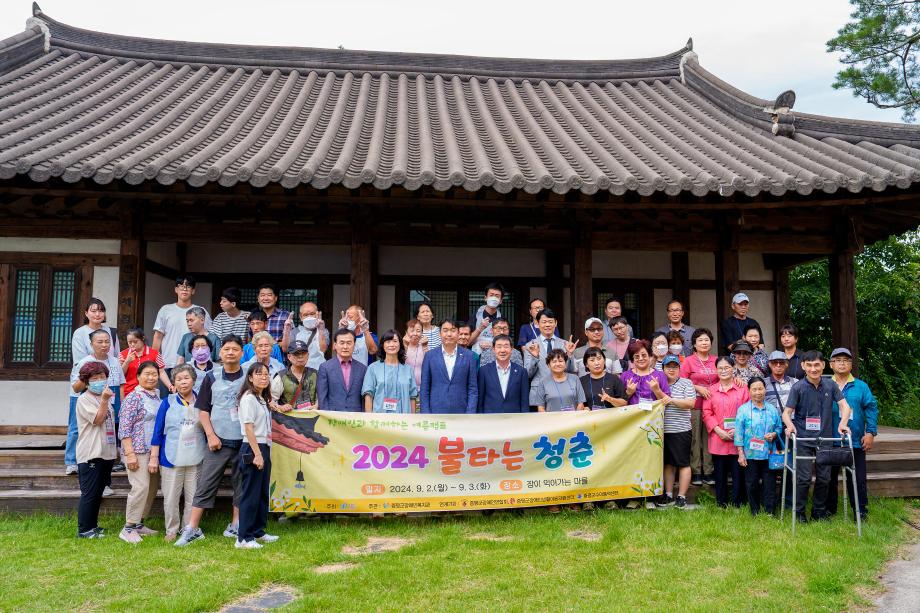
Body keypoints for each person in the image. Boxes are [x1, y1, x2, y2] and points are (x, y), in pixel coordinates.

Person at [174, 335, 246, 546]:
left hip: (243, 439)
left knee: (241, 483)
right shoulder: (211, 376)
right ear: (220, 353)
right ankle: (192, 528)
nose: (230, 352)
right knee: (206, 483)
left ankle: (236, 525)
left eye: (235, 349)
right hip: (218, 440)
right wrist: (211, 435)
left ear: (242, 353)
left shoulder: (248, 376)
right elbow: (203, 410)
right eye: (227, 349)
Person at [782, 350, 853, 523]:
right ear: (803, 366)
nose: (813, 369)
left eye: (816, 365)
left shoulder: (830, 385)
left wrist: (843, 423)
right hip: (803, 439)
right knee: (804, 478)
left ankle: (818, 512)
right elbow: (786, 413)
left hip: (825, 438)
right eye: (809, 365)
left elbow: (845, 406)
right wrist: (790, 425)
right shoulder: (798, 387)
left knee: (825, 478)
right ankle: (799, 513)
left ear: (823, 365)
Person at [149, 364, 205, 542]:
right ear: (173, 383)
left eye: (186, 378)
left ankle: (188, 528)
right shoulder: (168, 402)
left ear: (193, 380)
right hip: (171, 456)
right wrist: (154, 457)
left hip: (196, 455)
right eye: (179, 379)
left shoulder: (202, 400)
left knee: (193, 496)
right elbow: (157, 431)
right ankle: (171, 529)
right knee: (171, 497)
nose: (183, 382)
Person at [826, 347, 878, 521]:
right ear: (831, 364)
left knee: (858, 478)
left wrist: (870, 432)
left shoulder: (861, 386)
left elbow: (871, 408)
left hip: (855, 440)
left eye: (846, 360)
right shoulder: (825, 385)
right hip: (830, 440)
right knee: (829, 478)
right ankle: (829, 510)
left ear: (851, 364)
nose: (842, 363)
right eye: (838, 360)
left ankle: (860, 511)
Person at [68, 329, 125, 477]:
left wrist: (122, 405)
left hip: (112, 403)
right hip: (92, 404)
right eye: (100, 342)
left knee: (110, 433)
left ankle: (108, 469)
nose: (104, 345)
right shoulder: (84, 362)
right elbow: (76, 388)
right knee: (89, 433)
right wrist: (89, 376)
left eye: (107, 342)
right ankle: (74, 462)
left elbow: (121, 385)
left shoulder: (115, 361)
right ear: (91, 344)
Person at [234, 362, 279, 549]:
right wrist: (257, 454)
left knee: (261, 493)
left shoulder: (261, 398)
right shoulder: (248, 398)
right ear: (250, 378)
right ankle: (244, 538)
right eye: (259, 374)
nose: (263, 377)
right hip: (253, 447)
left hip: (264, 445)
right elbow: (248, 428)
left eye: (266, 374)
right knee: (250, 494)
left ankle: (258, 531)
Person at [117, 360, 162, 543]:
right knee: (140, 487)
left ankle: (139, 523)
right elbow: (124, 428)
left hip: (153, 451)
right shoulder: (133, 398)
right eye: (147, 374)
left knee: (151, 488)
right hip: (136, 450)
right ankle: (128, 528)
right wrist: (129, 454)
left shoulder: (156, 397)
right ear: (137, 377)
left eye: (154, 374)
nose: (151, 377)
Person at [74, 361, 117, 538]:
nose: (100, 381)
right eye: (95, 378)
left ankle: (93, 526)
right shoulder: (84, 399)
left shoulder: (103, 398)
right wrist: (105, 400)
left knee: (98, 492)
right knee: (89, 493)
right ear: (86, 382)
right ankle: (84, 530)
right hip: (91, 452)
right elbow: (98, 420)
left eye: (102, 377)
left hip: (106, 452)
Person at [703, 356, 750, 507]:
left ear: (733, 368)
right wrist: (718, 430)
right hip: (718, 438)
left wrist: (738, 429)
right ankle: (721, 502)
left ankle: (738, 502)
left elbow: (748, 411)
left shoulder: (743, 389)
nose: (723, 371)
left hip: (738, 437)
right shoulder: (711, 391)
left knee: (738, 473)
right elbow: (707, 413)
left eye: (727, 367)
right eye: (720, 368)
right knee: (720, 474)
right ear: (716, 370)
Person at [735, 377, 783, 515]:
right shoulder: (743, 410)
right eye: (754, 389)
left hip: (769, 454)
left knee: (770, 483)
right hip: (750, 454)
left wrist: (774, 434)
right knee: (751, 483)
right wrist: (740, 453)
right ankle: (754, 510)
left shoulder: (772, 409)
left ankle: (770, 511)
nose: (758, 392)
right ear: (749, 391)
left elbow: (779, 427)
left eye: (760, 388)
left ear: (765, 390)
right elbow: (738, 433)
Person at [152, 275, 212, 376]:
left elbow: (209, 336)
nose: (184, 289)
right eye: (181, 286)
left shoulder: (201, 311)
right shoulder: (165, 310)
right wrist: (153, 361)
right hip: (168, 362)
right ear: (176, 289)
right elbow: (158, 337)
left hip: (195, 363)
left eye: (188, 286)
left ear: (193, 291)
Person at [680, 328, 718, 486]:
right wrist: (698, 388)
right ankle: (696, 471)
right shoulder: (688, 361)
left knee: (710, 437)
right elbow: (681, 381)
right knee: (695, 439)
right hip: (694, 405)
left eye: (707, 340)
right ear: (694, 344)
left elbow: (724, 377)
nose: (704, 343)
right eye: (700, 340)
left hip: (713, 406)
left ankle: (708, 471)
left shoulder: (716, 360)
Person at [657, 355, 696, 509]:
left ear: (679, 369)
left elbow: (690, 403)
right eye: (668, 367)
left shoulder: (686, 383)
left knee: (683, 463)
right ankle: (668, 495)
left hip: (681, 430)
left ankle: (681, 496)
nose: (671, 369)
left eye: (675, 367)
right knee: (668, 464)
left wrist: (671, 400)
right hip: (662, 430)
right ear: (663, 369)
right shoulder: (658, 384)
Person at [420, 319, 478, 414]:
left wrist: (470, 414)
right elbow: (424, 388)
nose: (449, 334)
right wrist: (426, 414)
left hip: (462, 412)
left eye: (453, 330)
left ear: (458, 333)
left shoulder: (469, 356)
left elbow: (473, 388)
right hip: (436, 412)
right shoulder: (430, 356)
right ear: (440, 334)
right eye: (445, 330)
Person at [362, 330, 419, 413]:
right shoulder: (373, 368)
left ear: (400, 344)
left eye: (395, 341)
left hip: (403, 418)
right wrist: (370, 418)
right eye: (388, 342)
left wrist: (412, 418)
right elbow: (368, 395)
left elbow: (412, 397)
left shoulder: (408, 369)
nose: (392, 345)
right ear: (383, 345)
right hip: (380, 418)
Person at [523, 308, 578, 389]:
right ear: (538, 323)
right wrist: (535, 357)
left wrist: (570, 354)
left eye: (550, 322)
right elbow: (527, 374)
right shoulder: (530, 346)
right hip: (539, 389)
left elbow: (571, 370)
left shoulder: (565, 344)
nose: (547, 325)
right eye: (544, 322)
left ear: (556, 323)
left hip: (562, 388)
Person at [316, 329, 367, 411]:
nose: (345, 347)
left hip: (356, 415)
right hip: (332, 416)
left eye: (349, 343)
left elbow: (364, 398)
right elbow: (322, 398)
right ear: (335, 345)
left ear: (354, 345)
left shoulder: (362, 369)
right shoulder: (325, 367)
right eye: (342, 343)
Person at [477, 334, 530, 413]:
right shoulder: (484, 371)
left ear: (512, 349)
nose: (502, 350)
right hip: (490, 417)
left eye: (506, 346)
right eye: (499, 347)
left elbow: (524, 401)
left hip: (514, 417)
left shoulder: (521, 372)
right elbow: (480, 400)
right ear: (493, 349)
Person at [119, 327, 170, 396]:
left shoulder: (155, 353)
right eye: (130, 342)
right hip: (128, 393)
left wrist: (170, 386)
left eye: (135, 341)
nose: (132, 344)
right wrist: (127, 362)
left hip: (149, 393)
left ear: (143, 338)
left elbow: (161, 372)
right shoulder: (122, 354)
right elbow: (119, 375)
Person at [270, 340, 318, 411]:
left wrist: (317, 405)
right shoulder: (281, 377)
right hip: (289, 417)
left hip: (312, 416)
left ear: (308, 355)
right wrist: (281, 407)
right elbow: (271, 401)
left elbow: (322, 396)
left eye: (303, 353)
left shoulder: (315, 374)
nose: (300, 356)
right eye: (296, 354)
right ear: (289, 357)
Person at [620, 340, 670, 405]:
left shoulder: (660, 375)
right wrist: (628, 393)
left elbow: (667, 403)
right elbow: (618, 404)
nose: (641, 358)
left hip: (653, 412)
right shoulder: (625, 376)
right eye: (637, 356)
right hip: (632, 412)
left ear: (649, 356)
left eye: (644, 355)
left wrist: (657, 390)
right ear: (632, 359)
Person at [72, 297, 120, 362]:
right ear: (86, 313)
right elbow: (80, 361)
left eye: (101, 311)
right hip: (87, 368)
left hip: (111, 368)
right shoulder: (79, 333)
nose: (97, 314)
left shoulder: (111, 332)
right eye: (93, 311)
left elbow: (117, 358)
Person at [288, 301, 329, 369]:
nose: (309, 317)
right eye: (305, 315)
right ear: (301, 317)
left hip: (319, 369)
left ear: (317, 314)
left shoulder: (324, 331)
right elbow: (286, 349)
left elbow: (323, 350)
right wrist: (286, 330)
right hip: (300, 370)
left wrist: (321, 330)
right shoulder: (295, 332)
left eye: (312, 314)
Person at [468, 282, 504, 355]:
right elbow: (468, 342)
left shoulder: (502, 319)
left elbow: (505, 343)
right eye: (491, 295)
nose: (494, 298)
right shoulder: (475, 316)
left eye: (497, 296)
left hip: (495, 357)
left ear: (501, 301)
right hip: (475, 356)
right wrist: (479, 328)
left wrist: (492, 345)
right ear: (485, 298)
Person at [764, 350, 797, 416]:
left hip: (791, 421)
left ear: (786, 364)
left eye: (781, 362)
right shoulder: (763, 383)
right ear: (769, 364)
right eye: (774, 362)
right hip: (771, 420)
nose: (778, 365)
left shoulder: (795, 382)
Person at [403, 319, 427, 388]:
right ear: (406, 332)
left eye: (418, 331)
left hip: (422, 388)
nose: (415, 333)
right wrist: (405, 346)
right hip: (405, 388)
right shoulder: (400, 347)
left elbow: (430, 365)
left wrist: (425, 347)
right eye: (412, 330)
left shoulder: (425, 346)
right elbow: (399, 363)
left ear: (422, 333)